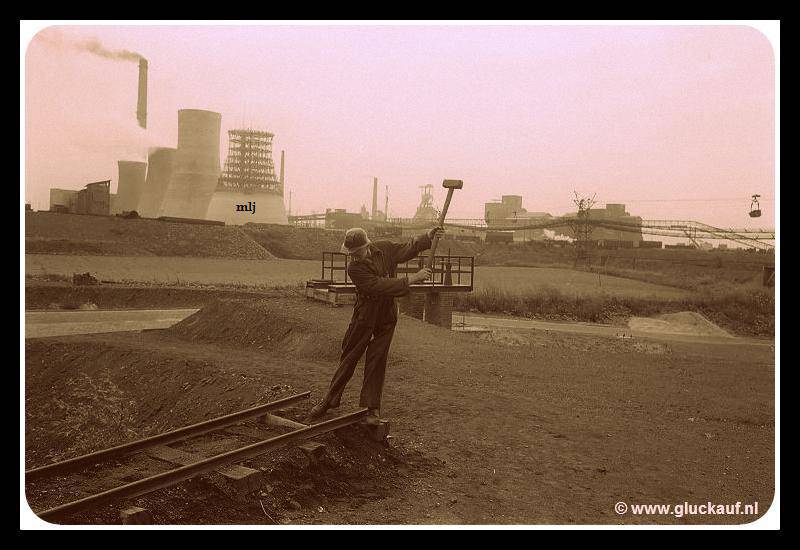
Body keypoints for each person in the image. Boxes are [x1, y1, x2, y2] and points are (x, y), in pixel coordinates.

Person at [307, 226, 444, 424]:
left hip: (386, 315)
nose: (353, 256)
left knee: (377, 359)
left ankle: (372, 409)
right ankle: (329, 400)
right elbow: (377, 285)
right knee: (349, 356)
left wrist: (427, 237)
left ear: (366, 246)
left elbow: (407, 248)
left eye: (356, 252)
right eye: (351, 253)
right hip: (365, 314)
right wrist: (412, 279)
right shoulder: (354, 268)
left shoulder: (384, 249)